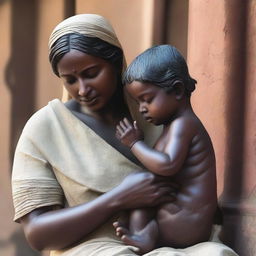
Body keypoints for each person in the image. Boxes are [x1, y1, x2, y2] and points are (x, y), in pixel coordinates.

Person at [11, 14, 238, 256]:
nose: (83, 90)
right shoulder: (45, 128)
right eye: (70, 80)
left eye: (91, 73)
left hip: (167, 242)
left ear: (117, 63)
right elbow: (37, 234)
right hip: (92, 248)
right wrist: (118, 198)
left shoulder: (156, 110)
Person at [115, 44, 218, 254]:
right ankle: (141, 231)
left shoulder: (184, 124)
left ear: (178, 90)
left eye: (147, 99)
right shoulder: (172, 125)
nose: (142, 109)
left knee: (140, 183)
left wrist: (135, 144)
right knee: (139, 184)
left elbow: (167, 164)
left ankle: (144, 234)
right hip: (182, 219)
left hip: (186, 224)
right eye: (137, 102)